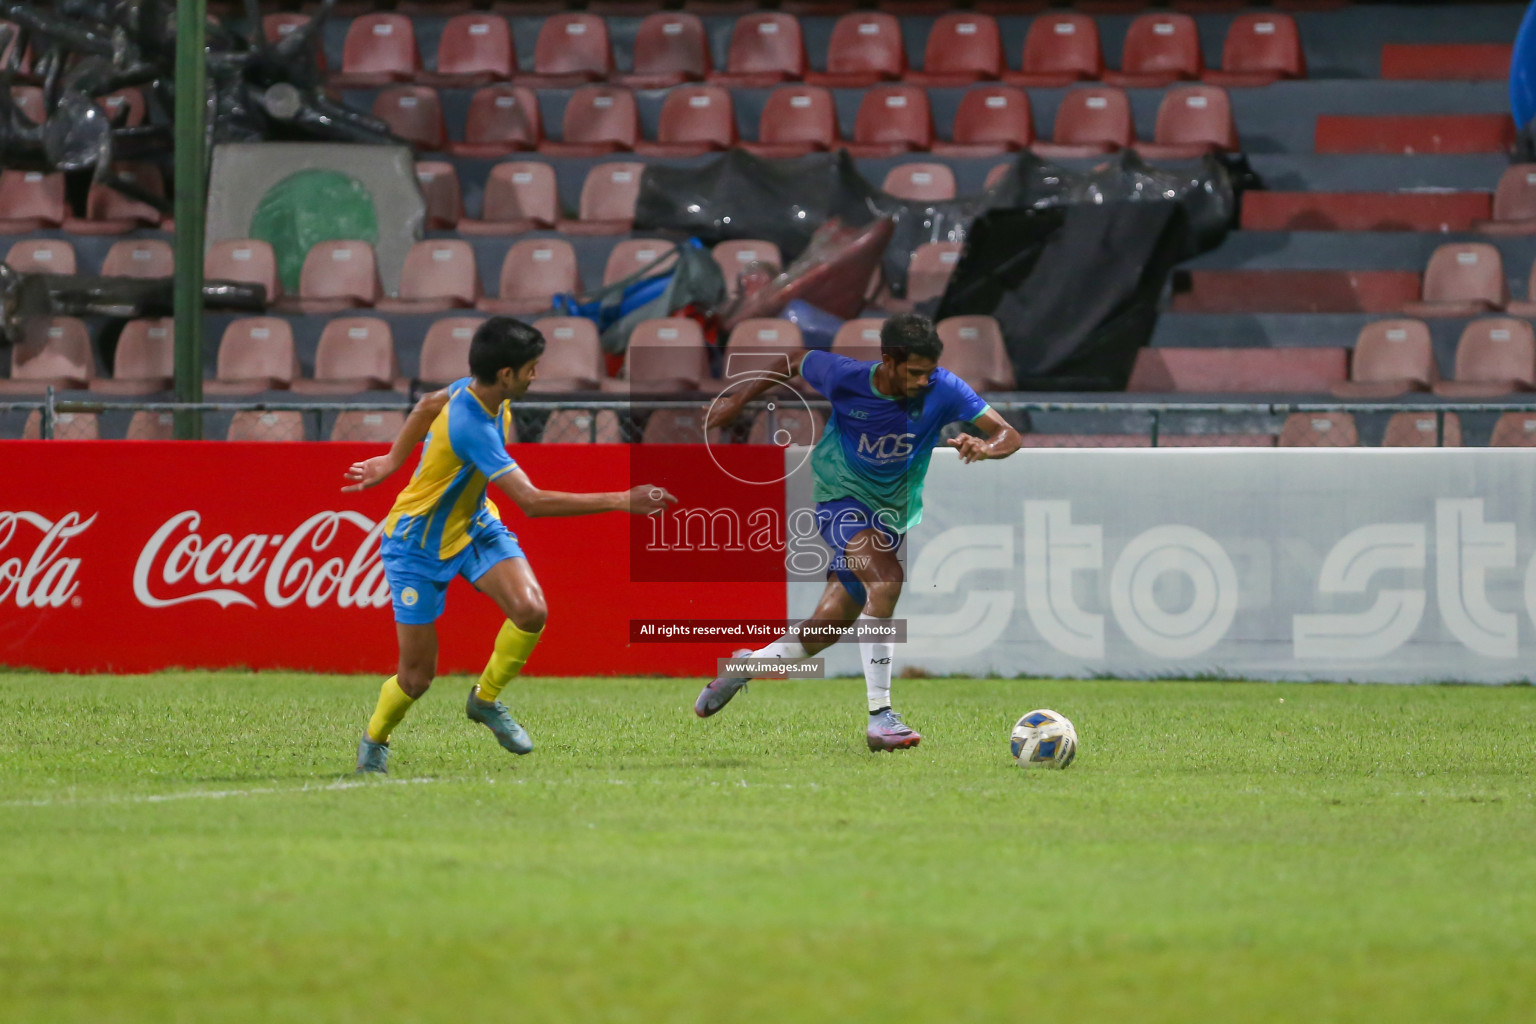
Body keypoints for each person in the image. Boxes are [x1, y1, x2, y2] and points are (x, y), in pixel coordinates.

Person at [342, 317, 676, 773]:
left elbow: (423, 404)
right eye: (531, 369)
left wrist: (391, 459)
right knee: (417, 678)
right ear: (506, 375)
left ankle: (485, 700)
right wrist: (622, 499)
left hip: (475, 524)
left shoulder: (471, 388)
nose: (535, 376)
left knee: (531, 610)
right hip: (415, 544)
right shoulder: (471, 424)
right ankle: (375, 740)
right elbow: (532, 502)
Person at [695, 313, 1021, 750]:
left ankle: (744, 666)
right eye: (915, 371)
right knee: (886, 582)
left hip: (890, 517)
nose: (925, 380)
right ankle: (881, 717)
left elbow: (1008, 434)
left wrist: (985, 446)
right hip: (841, 500)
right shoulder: (845, 376)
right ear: (888, 360)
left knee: (826, 626)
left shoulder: (944, 388)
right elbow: (794, 359)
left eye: (930, 371)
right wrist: (738, 400)